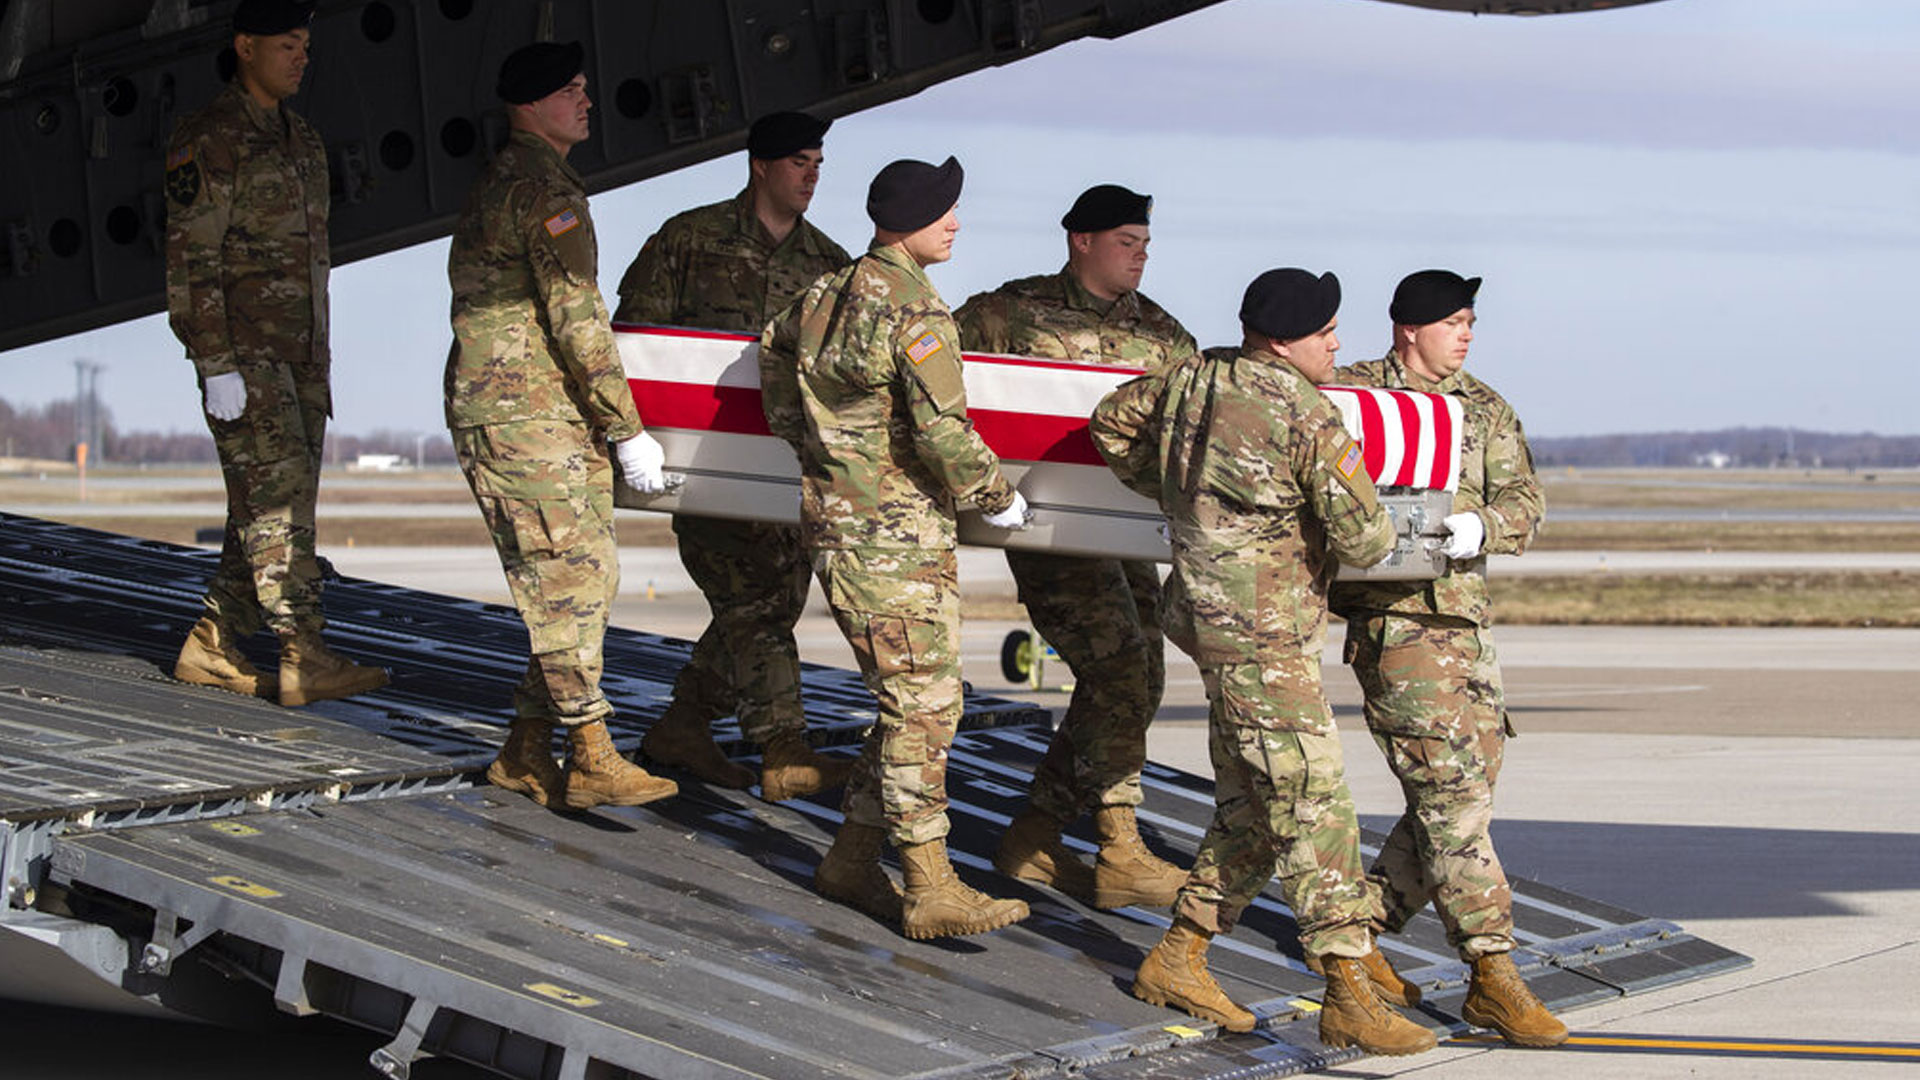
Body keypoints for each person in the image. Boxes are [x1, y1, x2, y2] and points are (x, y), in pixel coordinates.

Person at [1089, 269, 1434, 1055]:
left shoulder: (1190, 378)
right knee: (1314, 798)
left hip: (1207, 621)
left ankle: (1179, 955)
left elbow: (1112, 423)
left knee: (1252, 800)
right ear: (1283, 340)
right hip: (1264, 639)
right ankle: (1346, 988)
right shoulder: (1308, 415)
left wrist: (1179, 493)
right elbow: (1365, 539)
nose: (1337, 344)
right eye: (1325, 332)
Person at [758, 157, 1034, 940]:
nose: (956, 223)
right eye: (945, 211)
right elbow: (944, 432)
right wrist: (998, 496)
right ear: (911, 219)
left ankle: (852, 857)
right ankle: (930, 882)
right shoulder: (915, 309)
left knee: (905, 701)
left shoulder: (825, 291)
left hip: (840, 521)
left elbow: (772, 355)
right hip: (894, 536)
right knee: (925, 704)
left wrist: (820, 448)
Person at [1326, 269, 1562, 1046]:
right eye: (1454, 322)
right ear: (1410, 328)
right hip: (1397, 626)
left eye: (1471, 322)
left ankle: (1360, 931)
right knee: (1452, 801)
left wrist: (1482, 526)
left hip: (1467, 627)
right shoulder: (1352, 395)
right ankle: (1493, 973)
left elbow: (1525, 500)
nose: (1466, 334)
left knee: (1465, 796)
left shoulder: (1484, 407)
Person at [445, 40, 676, 811]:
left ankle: (525, 748)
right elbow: (579, 317)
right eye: (571, 91)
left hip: (533, 409)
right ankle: (591, 751)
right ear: (530, 105)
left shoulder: (517, 180)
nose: (587, 101)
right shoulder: (543, 191)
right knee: (566, 582)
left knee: (583, 577)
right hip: (523, 414)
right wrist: (626, 426)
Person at [953, 184, 1195, 909]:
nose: (1140, 256)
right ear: (1081, 241)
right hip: (1049, 529)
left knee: (1141, 678)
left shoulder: (1165, 336)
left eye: (1145, 244)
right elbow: (937, 387)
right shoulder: (1007, 313)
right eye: (1126, 242)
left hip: (1129, 532)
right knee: (1118, 670)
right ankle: (1119, 847)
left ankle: (1035, 833)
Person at [612, 112, 853, 802]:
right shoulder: (689, 241)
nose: (811, 176)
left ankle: (683, 727)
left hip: (787, 476)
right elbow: (634, 345)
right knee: (754, 602)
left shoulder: (830, 265)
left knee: (773, 601)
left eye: (818, 164)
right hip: (704, 467)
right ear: (760, 166)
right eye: (799, 162)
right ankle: (784, 747)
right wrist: (633, 441)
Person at [164, 0, 389, 708]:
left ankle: (212, 641)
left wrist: (317, 361)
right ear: (245, 47)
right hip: (247, 358)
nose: (301, 58)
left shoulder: (304, 141)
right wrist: (215, 363)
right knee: (276, 508)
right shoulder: (210, 139)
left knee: (270, 502)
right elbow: (191, 260)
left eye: (305, 47)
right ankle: (303, 651)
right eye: (287, 45)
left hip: (302, 359)